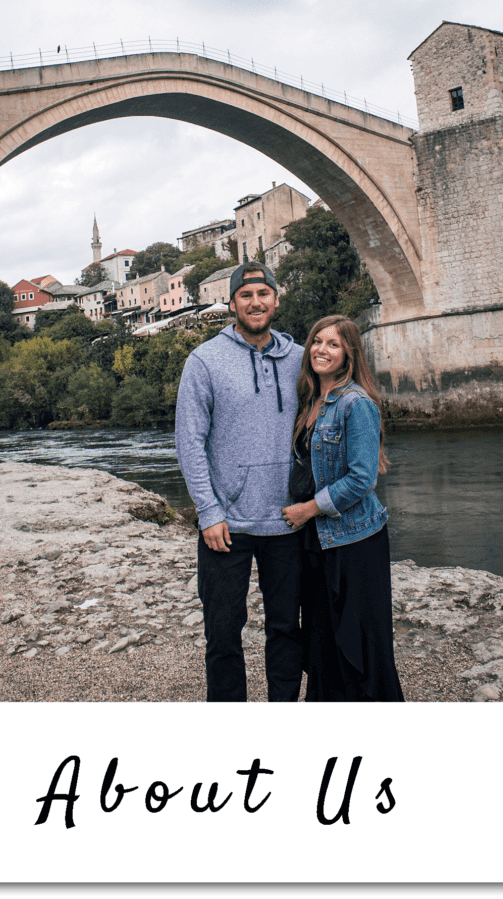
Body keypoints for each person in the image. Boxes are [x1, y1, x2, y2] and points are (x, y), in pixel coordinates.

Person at [175, 262, 304, 702]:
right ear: (232, 304)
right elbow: (189, 442)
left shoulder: (301, 360)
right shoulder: (204, 361)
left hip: (287, 519)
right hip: (224, 526)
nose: (255, 303)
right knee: (224, 634)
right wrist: (209, 513)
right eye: (245, 296)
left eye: (263, 294)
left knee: (287, 627)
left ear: (275, 300)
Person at [281, 315, 404, 702]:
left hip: (355, 539)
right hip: (318, 540)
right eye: (317, 340)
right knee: (322, 636)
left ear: (349, 353)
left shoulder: (356, 404)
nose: (321, 349)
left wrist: (307, 510)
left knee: (361, 641)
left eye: (333, 344)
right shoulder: (309, 402)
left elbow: (362, 479)